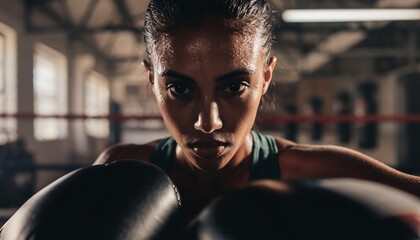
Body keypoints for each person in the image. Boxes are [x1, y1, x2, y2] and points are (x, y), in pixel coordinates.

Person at [94, 0, 420, 227]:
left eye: (234, 87)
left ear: (265, 77)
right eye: (180, 89)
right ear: (153, 80)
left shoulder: (317, 172)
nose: (208, 122)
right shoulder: (121, 172)